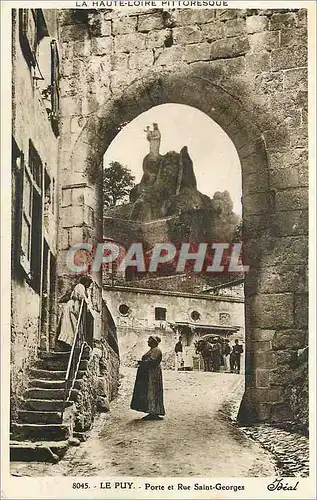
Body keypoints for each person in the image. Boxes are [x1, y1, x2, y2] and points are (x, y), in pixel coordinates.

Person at [130, 335, 165, 420]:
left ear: (153, 342)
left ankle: (153, 412)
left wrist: (142, 363)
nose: (148, 342)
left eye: (149, 340)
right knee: (150, 392)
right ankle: (152, 411)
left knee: (152, 391)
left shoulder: (156, 350)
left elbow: (152, 361)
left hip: (153, 373)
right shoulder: (152, 350)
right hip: (150, 373)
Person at [56, 276, 93, 349]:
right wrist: (88, 303)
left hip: (75, 307)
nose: (89, 285)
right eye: (88, 283)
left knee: (73, 325)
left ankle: (71, 343)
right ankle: (68, 342)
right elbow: (81, 297)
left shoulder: (84, 288)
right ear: (85, 282)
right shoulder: (80, 286)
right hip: (72, 307)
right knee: (70, 325)